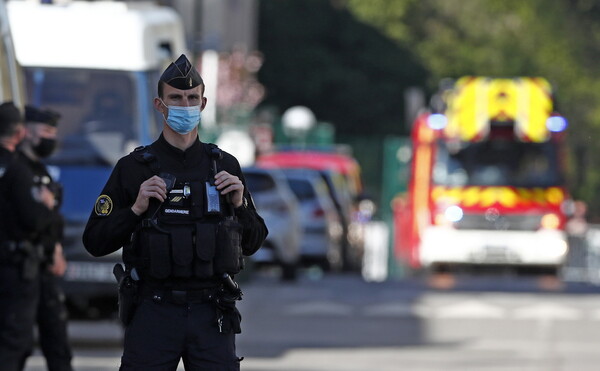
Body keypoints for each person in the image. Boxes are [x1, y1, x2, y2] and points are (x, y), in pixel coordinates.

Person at [83, 54, 268, 370]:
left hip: (211, 313)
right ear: (159, 104)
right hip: (154, 310)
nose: (185, 105)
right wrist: (137, 209)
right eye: (176, 98)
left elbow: (253, 242)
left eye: (191, 98)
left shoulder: (223, 166)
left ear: (203, 102)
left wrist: (239, 204)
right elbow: (95, 241)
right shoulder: (133, 169)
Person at [0, 101, 55, 370]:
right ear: (20, 133)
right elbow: (33, 219)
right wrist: (47, 205)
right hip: (15, 266)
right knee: (15, 341)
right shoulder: (18, 170)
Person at [19, 105, 73, 371]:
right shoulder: (16, 170)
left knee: (58, 342)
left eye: (54, 131)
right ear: (26, 132)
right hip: (20, 269)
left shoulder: (43, 171)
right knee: (17, 343)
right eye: (46, 130)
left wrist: (57, 250)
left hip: (45, 268)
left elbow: (53, 221)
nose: (51, 137)